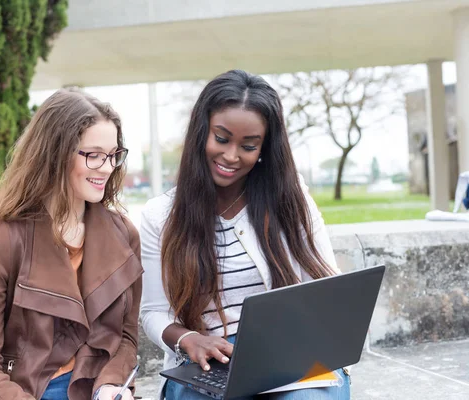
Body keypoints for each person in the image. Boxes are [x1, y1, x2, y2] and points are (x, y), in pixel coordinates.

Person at [140, 70, 350, 400]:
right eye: (221, 139)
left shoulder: (291, 200)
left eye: (248, 146)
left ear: (264, 148)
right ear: (201, 133)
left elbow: (327, 286)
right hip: (209, 358)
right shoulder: (160, 215)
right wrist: (189, 340)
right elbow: (153, 312)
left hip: (290, 352)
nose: (231, 156)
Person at [0, 89, 143, 400]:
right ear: (56, 154)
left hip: (101, 388)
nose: (107, 167)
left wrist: (112, 385)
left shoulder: (124, 233)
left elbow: (126, 337)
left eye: (113, 154)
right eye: (93, 154)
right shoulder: (0, 238)